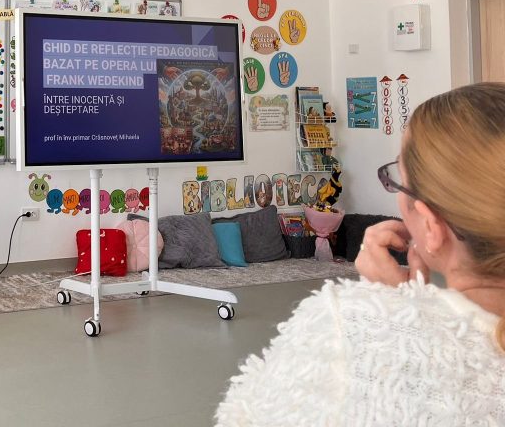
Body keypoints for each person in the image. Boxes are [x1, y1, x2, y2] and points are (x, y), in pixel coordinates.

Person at [215, 82, 505, 426]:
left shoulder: (345, 325)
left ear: (430, 226)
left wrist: (388, 308)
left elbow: (244, 417)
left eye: (397, 179)